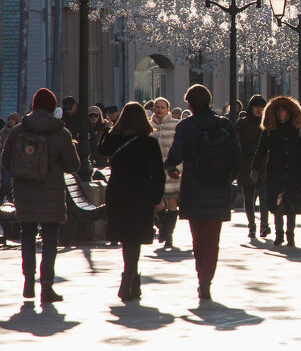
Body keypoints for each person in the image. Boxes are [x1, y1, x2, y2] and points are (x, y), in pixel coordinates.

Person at [1, 88, 81, 303]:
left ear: (34, 105)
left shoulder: (18, 131)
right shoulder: (61, 132)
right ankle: (47, 285)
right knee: (50, 240)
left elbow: (6, 162)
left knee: (27, 234)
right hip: (51, 193)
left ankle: (28, 281)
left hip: (25, 192)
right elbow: (73, 165)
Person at [163, 84, 241, 301]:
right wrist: (228, 178)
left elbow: (176, 154)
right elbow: (237, 155)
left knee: (198, 239)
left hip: (194, 187)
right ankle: (207, 279)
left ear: (189, 103)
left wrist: (170, 167)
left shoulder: (186, 126)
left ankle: (201, 280)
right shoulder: (224, 124)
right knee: (212, 240)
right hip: (218, 189)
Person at [97, 102, 165, 302]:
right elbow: (158, 174)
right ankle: (129, 279)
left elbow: (101, 150)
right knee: (134, 238)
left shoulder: (114, 140)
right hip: (140, 194)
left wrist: (108, 131)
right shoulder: (149, 143)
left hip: (118, 192)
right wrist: (156, 198)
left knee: (127, 238)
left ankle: (132, 282)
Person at [250, 95, 301, 247]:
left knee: (291, 204)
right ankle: (279, 234)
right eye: (279, 110)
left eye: (284, 110)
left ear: (290, 112)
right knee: (277, 204)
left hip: (293, 170)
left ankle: (290, 234)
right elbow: (261, 149)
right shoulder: (270, 129)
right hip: (275, 170)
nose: (282, 113)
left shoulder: (298, 129)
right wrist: (255, 167)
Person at [235, 95, 269, 240]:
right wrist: (245, 149)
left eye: (262, 107)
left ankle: (264, 225)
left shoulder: (267, 123)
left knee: (264, 198)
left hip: (264, 166)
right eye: (256, 106)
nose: (259, 109)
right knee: (248, 200)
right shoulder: (242, 124)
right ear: (251, 107)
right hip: (246, 166)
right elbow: (236, 143)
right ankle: (252, 227)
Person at [150, 97, 180, 249]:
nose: (159, 109)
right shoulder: (149, 126)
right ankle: (164, 229)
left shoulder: (176, 125)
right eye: (157, 106)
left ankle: (168, 235)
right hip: (154, 171)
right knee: (156, 203)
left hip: (171, 170)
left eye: (162, 107)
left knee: (172, 203)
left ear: (168, 109)